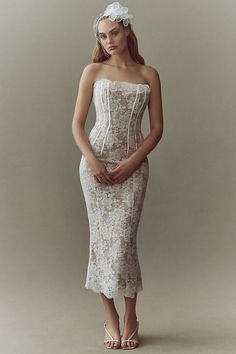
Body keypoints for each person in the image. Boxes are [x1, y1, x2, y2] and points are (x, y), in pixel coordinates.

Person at [72, 1, 163, 349]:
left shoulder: (148, 74)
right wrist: (93, 160)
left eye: (114, 33)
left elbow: (156, 130)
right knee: (102, 242)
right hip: (96, 164)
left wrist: (132, 162)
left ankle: (131, 316)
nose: (108, 40)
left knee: (123, 242)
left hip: (133, 166)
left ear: (127, 31)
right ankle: (110, 317)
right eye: (102, 35)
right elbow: (77, 125)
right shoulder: (92, 71)